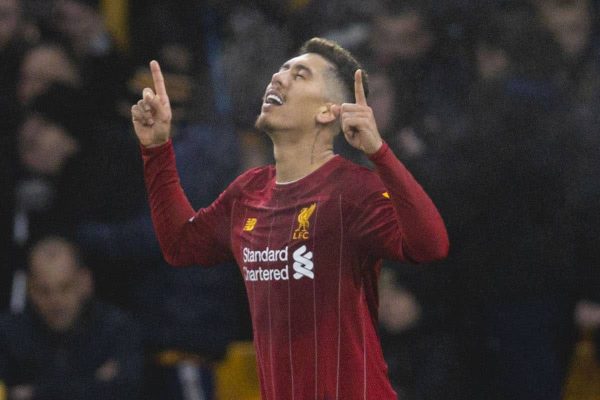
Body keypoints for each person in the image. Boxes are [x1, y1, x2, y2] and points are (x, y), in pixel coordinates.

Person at [131, 37, 449, 399]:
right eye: (281, 70)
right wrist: (156, 150)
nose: (278, 79)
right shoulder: (248, 192)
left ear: (328, 111)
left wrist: (380, 153)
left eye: (300, 74)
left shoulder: (352, 191)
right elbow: (179, 245)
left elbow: (431, 245)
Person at [0, 235, 143, 400]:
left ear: (85, 281)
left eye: (65, 287)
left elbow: (124, 390)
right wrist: (92, 382)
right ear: (30, 289)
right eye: (44, 291)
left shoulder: (116, 329)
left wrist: (33, 393)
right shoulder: (8, 335)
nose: (55, 301)